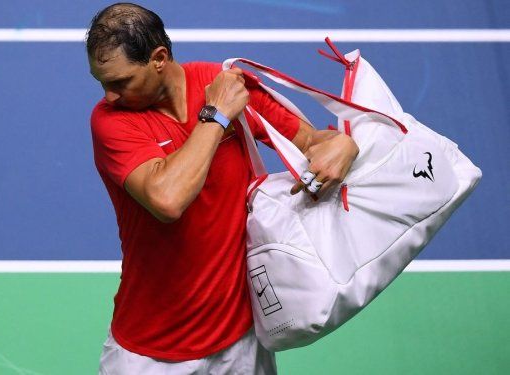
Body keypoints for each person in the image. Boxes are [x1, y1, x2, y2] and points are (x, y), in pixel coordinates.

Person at [86, 3, 359, 374]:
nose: (110, 95)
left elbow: (313, 142)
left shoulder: (225, 84)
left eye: (121, 82)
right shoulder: (111, 122)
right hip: (150, 352)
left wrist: (343, 145)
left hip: (242, 344)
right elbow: (167, 199)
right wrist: (216, 116)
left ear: (159, 58)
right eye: (102, 82)